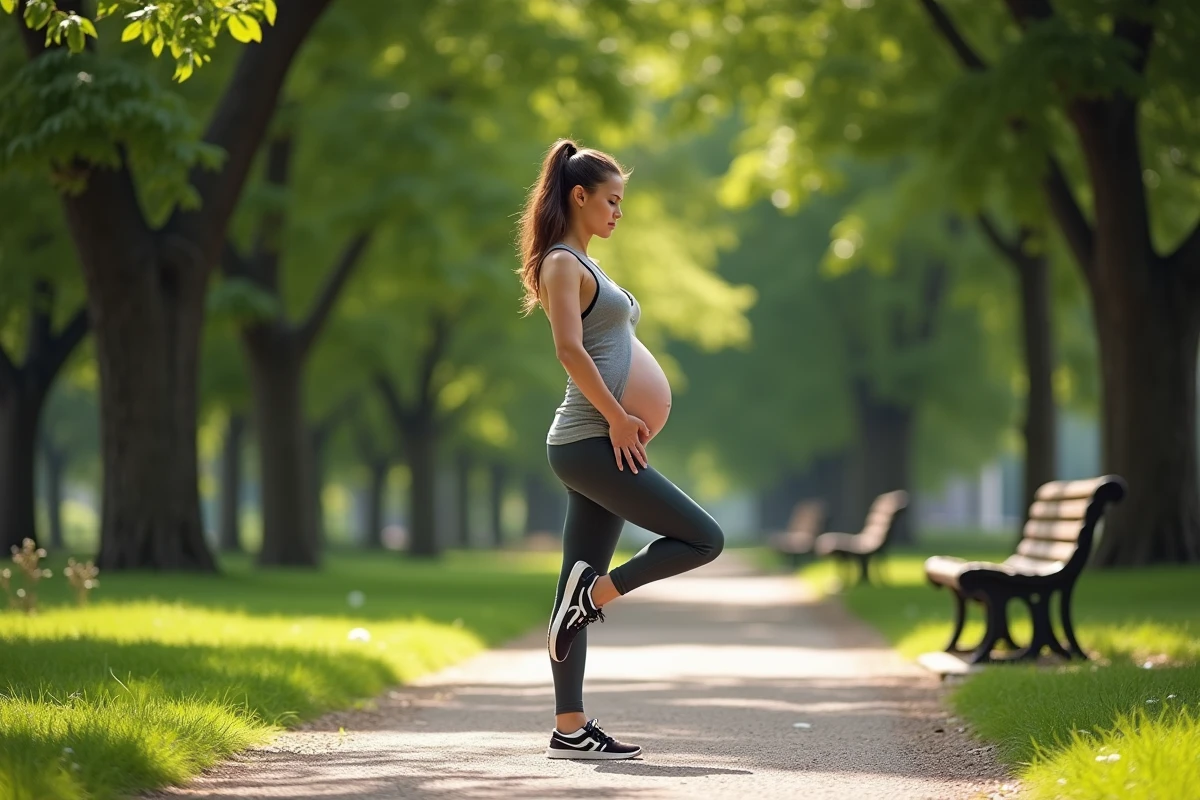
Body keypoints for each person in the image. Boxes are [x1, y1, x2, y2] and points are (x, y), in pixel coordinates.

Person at [515, 139, 725, 760]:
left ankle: (569, 726)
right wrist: (618, 419)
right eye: (611, 200)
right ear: (578, 196)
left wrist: (626, 422)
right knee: (704, 538)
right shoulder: (560, 263)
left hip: (601, 444)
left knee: (571, 586)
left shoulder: (587, 262)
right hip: (588, 442)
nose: (618, 212)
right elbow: (569, 350)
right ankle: (597, 597)